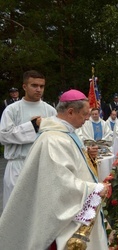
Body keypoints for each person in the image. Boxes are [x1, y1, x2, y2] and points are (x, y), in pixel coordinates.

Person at [0, 89, 109, 249]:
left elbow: (73, 164)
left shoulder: (66, 132)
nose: (87, 118)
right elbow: (60, 184)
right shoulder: (54, 139)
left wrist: (89, 158)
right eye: (84, 114)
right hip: (62, 223)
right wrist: (95, 188)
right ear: (71, 112)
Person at [0, 70, 57, 209]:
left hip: (42, 165)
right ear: (24, 86)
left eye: (42, 86)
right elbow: (4, 136)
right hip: (18, 165)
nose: (39, 89)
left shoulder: (50, 110)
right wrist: (32, 127)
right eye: (34, 85)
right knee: (16, 210)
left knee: (40, 210)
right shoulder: (12, 110)